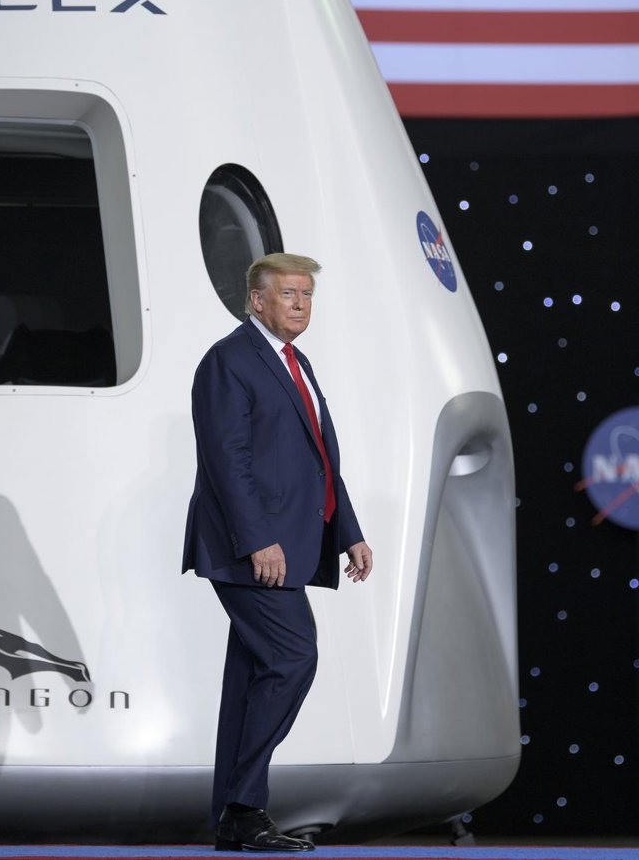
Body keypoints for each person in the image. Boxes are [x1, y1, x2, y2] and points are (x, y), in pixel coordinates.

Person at [182, 252, 373, 852]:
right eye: (289, 293)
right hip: (252, 548)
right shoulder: (229, 360)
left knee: (252, 678)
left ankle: (233, 817)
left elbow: (320, 458)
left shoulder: (295, 361)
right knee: (293, 657)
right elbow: (227, 460)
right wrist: (258, 538)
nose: (300, 304)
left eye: (307, 295)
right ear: (256, 300)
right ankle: (244, 806)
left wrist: (348, 532)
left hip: (289, 542)